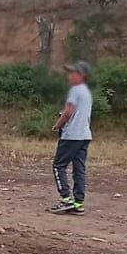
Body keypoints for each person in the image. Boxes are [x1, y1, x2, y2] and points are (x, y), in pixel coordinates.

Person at [48, 61, 95, 214]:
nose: (69, 76)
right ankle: (78, 204)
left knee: (58, 165)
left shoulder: (75, 91)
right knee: (79, 169)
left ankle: (66, 199)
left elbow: (68, 112)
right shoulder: (87, 92)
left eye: (72, 73)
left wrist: (57, 125)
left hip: (71, 135)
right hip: (84, 134)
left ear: (81, 75)